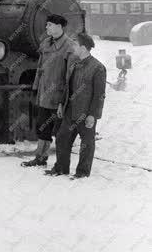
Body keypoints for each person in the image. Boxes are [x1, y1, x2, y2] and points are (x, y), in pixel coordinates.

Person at [45, 33, 106, 178]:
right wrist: (61, 104)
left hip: (85, 113)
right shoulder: (74, 64)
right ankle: (61, 168)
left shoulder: (98, 68)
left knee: (86, 144)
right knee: (61, 138)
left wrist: (92, 115)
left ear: (83, 48)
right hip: (69, 111)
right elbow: (67, 87)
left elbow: (99, 95)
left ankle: (82, 172)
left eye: (75, 45)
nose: (72, 47)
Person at [21, 14, 75, 167]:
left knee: (60, 132)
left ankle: (61, 164)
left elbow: (69, 77)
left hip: (59, 98)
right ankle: (40, 158)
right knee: (42, 127)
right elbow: (40, 68)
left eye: (50, 25)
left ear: (59, 26)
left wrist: (63, 101)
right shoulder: (46, 43)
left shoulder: (70, 47)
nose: (46, 27)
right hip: (44, 95)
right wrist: (36, 87)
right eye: (47, 25)